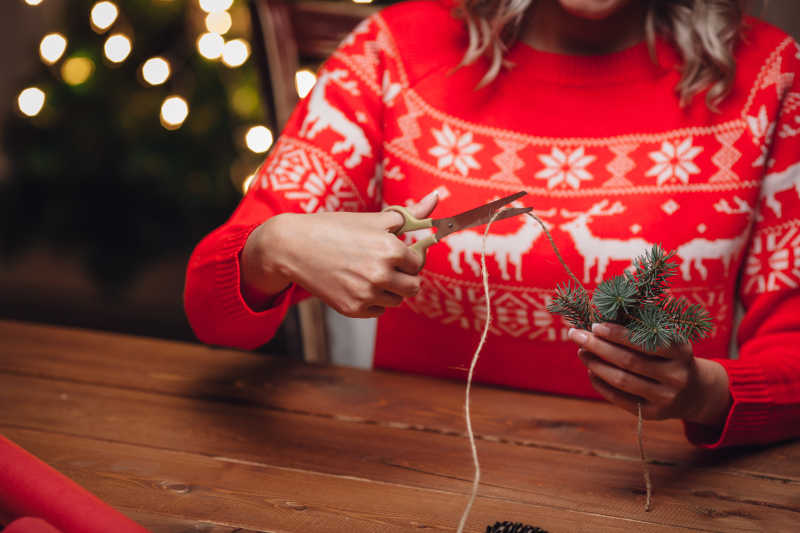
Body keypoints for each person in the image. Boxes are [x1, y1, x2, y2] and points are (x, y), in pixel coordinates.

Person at [184, 0, 800, 449]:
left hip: (663, 497)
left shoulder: (771, 76)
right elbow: (211, 309)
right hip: (412, 474)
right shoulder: (392, 54)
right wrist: (276, 247)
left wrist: (704, 394)